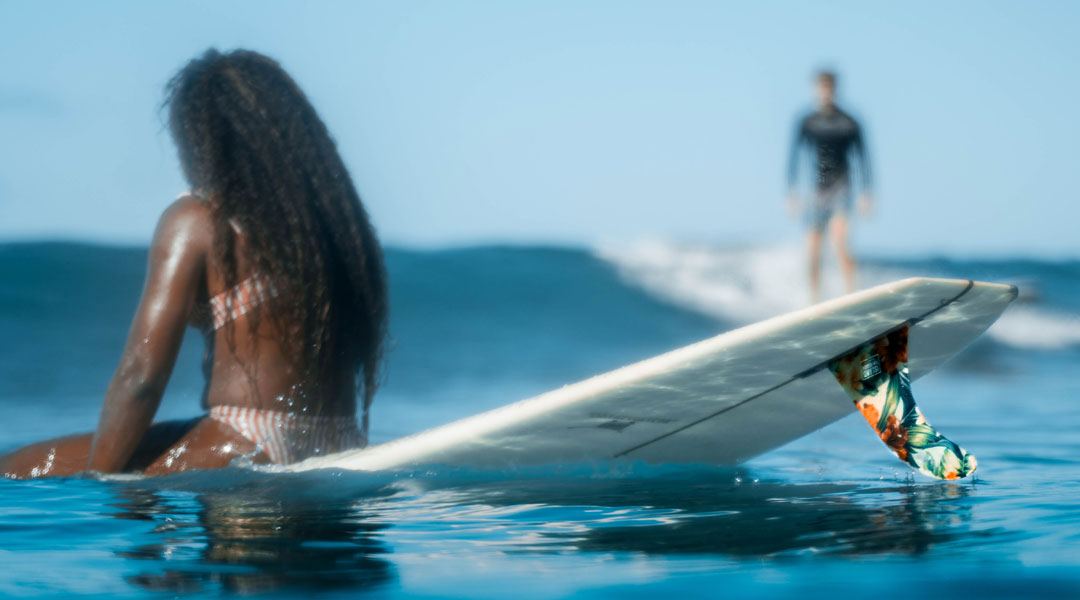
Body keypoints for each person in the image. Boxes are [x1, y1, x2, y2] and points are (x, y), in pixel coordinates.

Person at [0, 49, 388, 478]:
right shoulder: (332, 233)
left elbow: (140, 377)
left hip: (250, 440)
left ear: (202, 139)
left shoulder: (198, 221)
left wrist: (104, 488)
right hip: (338, 439)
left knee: (19, 466)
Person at [786, 70, 873, 301]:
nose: (825, 93)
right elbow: (793, 157)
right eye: (821, 88)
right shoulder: (807, 122)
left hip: (841, 187)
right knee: (813, 252)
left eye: (829, 89)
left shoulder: (849, 122)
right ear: (815, 89)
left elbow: (864, 157)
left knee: (840, 242)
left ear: (835, 90)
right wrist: (791, 191)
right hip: (816, 190)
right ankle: (814, 300)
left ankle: (851, 295)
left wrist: (866, 193)